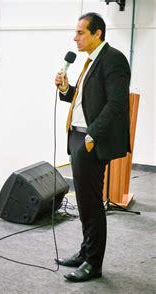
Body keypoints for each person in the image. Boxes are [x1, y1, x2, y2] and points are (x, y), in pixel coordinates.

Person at [54, 13, 131, 283]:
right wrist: (66, 90)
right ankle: (86, 252)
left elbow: (117, 104)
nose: (75, 38)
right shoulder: (90, 62)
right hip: (77, 137)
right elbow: (86, 100)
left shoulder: (113, 60)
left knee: (91, 204)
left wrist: (91, 136)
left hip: (90, 141)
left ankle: (93, 264)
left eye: (80, 32)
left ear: (97, 33)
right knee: (85, 203)